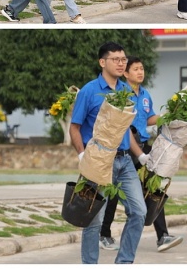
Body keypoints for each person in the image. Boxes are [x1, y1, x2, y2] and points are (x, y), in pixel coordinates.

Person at [70, 42, 146, 264]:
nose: (121, 63)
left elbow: (125, 130)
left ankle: (124, 262)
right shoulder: (89, 91)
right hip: (98, 161)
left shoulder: (126, 91)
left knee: (139, 212)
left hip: (124, 162)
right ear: (102, 62)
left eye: (123, 59)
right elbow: (74, 126)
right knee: (94, 219)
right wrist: (82, 155)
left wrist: (140, 154)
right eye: (116, 59)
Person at [99, 57, 183, 253]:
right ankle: (104, 234)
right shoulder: (120, 94)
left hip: (143, 146)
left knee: (153, 188)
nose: (140, 72)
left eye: (142, 68)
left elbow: (148, 118)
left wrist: (170, 116)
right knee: (114, 191)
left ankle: (163, 236)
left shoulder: (145, 95)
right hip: (124, 147)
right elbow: (123, 124)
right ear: (126, 73)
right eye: (135, 69)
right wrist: (138, 153)